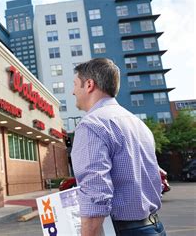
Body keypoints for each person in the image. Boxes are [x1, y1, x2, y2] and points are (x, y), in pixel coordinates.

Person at [71, 58, 166, 236]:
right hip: (154, 226)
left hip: (124, 230)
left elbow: (95, 195)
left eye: (75, 84)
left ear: (89, 84)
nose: (72, 91)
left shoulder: (91, 125)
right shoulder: (138, 123)